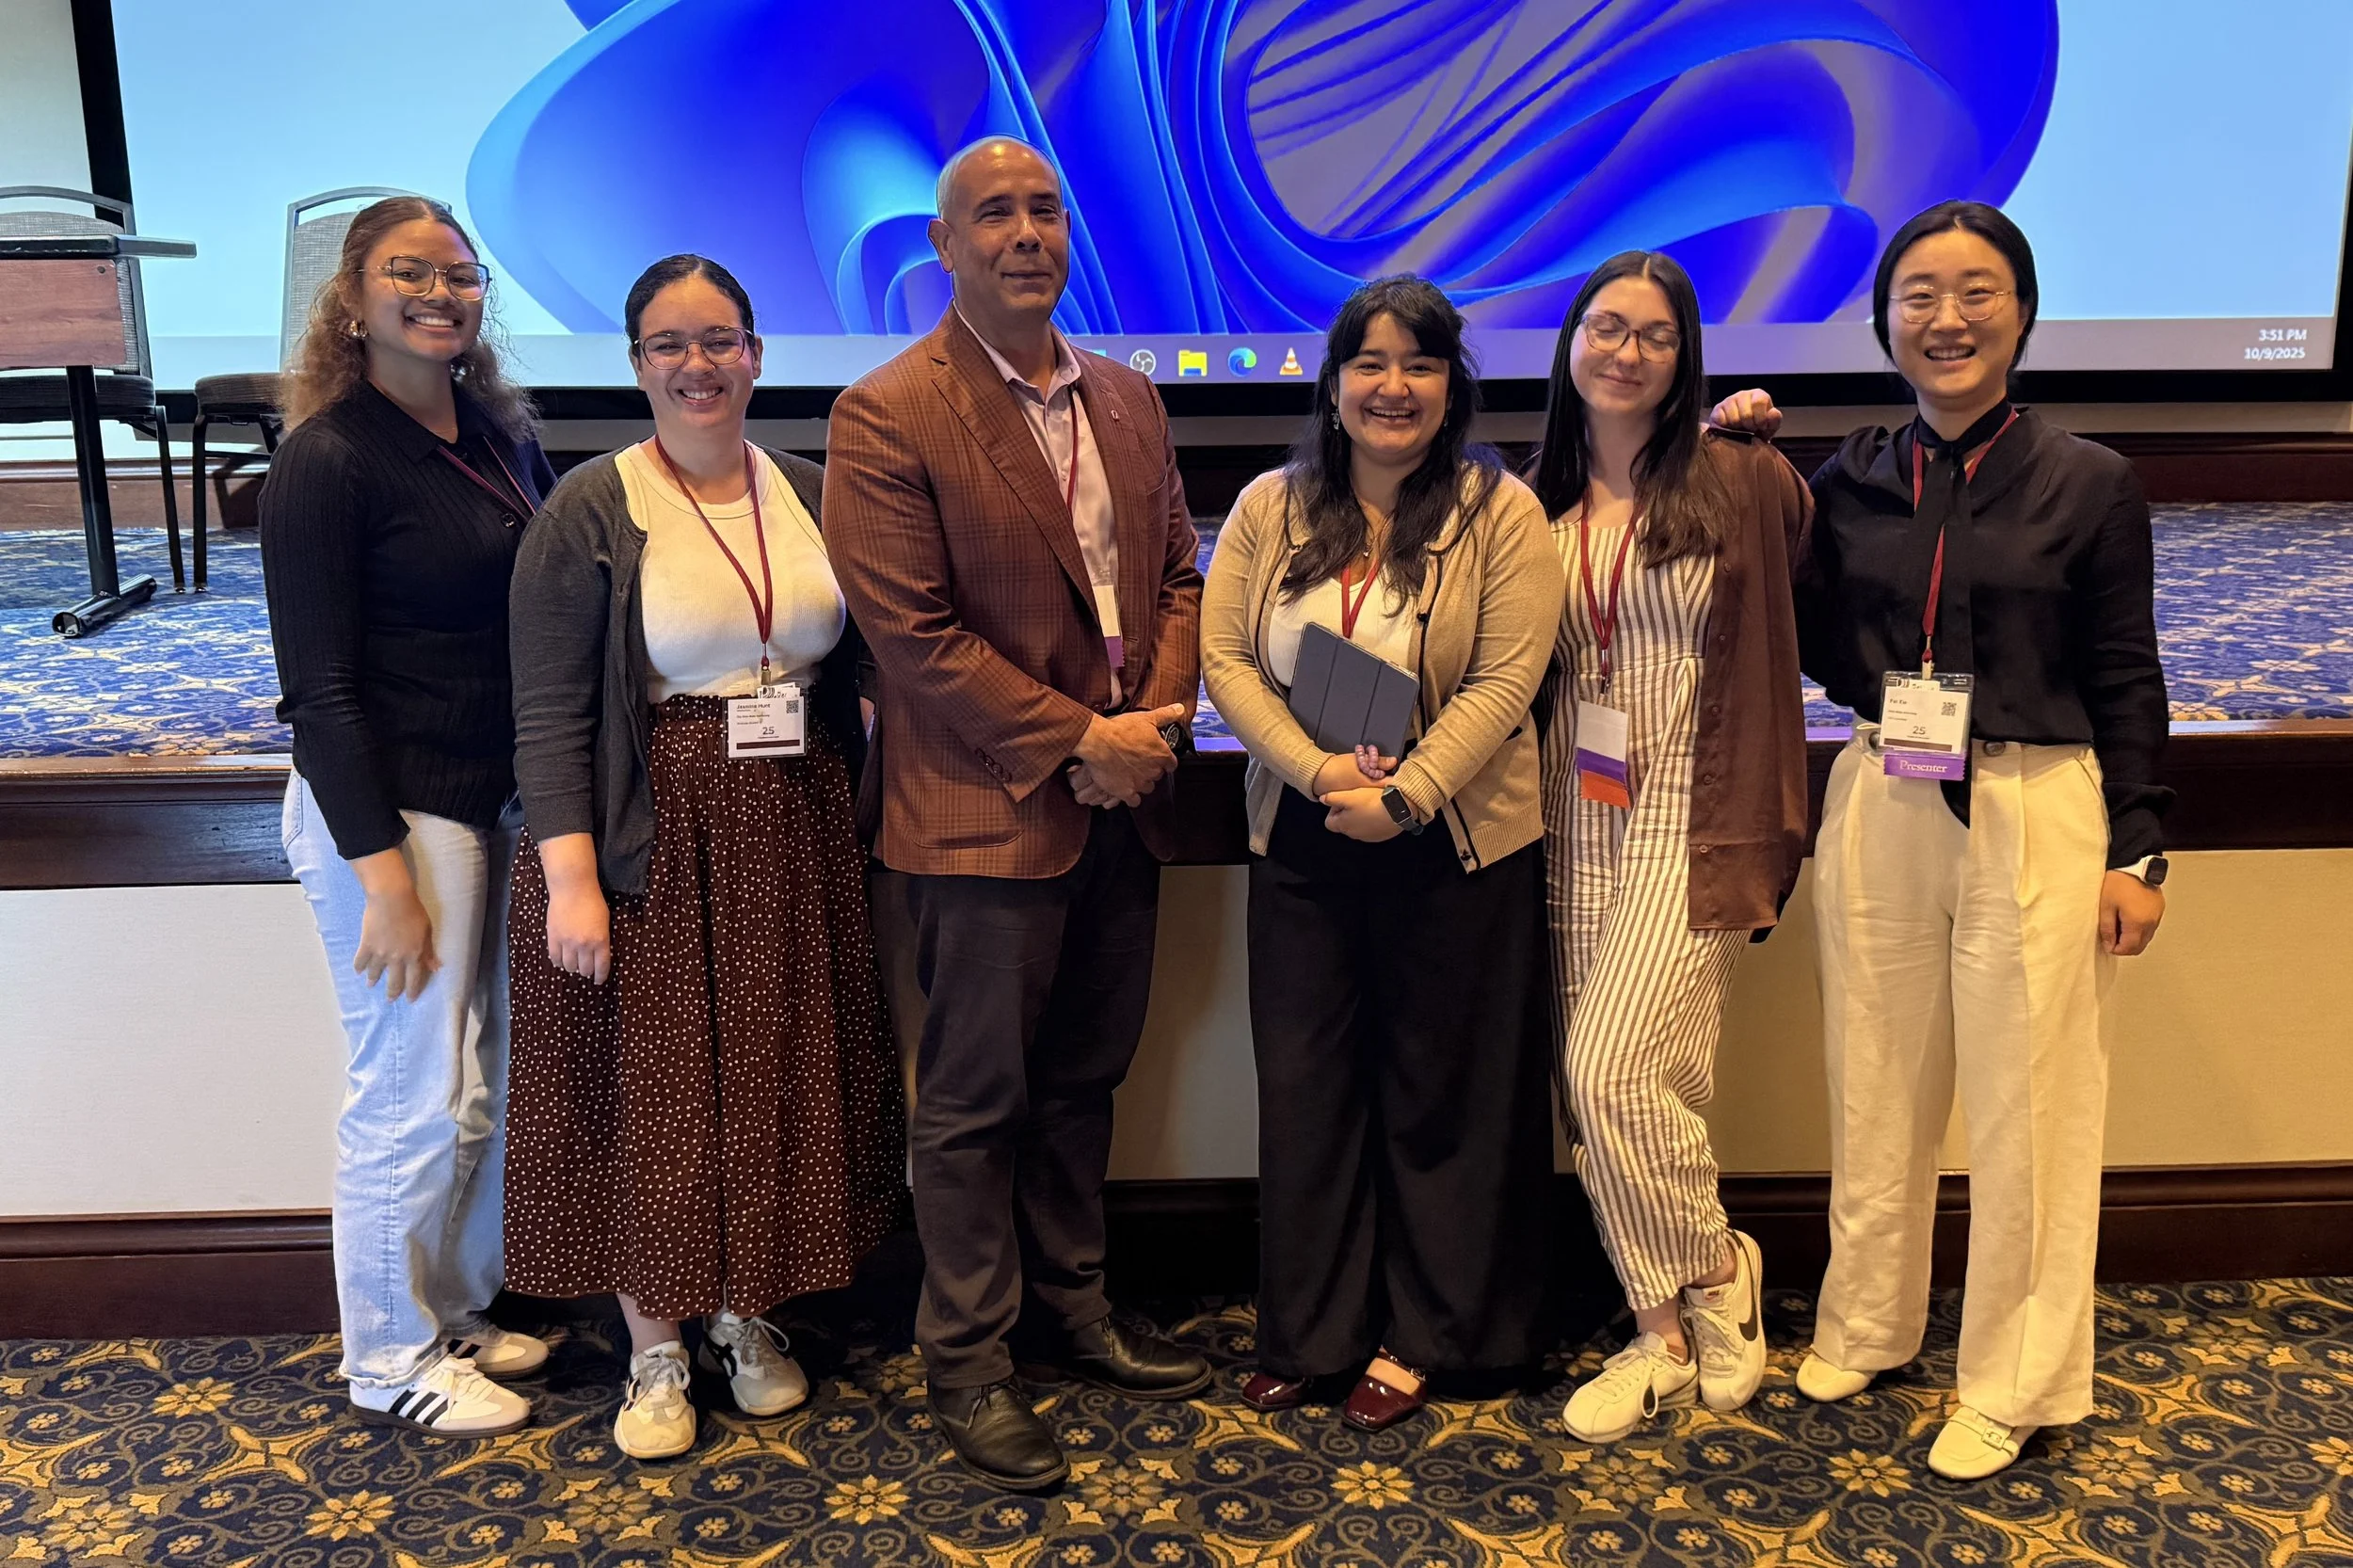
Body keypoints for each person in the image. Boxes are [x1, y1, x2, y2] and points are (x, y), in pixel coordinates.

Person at [1711, 200, 2170, 1480]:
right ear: (1883, 321)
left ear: (2021, 311)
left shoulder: (2090, 479)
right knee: (1874, 1074)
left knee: (2033, 1106)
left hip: (2036, 802)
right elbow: (1789, 620)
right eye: (1919, 294)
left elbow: (2130, 675)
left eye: (1975, 291)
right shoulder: (1850, 474)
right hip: (1886, 788)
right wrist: (1746, 457)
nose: (1946, 317)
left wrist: (2140, 850)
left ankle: (2016, 1378)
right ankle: (1868, 1320)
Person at [823, 136, 1209, 1493]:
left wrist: (1150, 732)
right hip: (981, 815)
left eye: (1047, 207)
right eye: (996, 213)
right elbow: (912, 639)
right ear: (945, 243)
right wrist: (1080, 744)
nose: (1027, 233)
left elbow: (1176, 578)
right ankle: (970, 1361)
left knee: (1086, 1076)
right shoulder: (886, 413)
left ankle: (1074, 1305)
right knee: (976, 1104)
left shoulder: (1128, 398)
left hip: (1124, 804)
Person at [504, 254, 906, 1462]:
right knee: (657, 1090)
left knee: (769, 1079)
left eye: (719, 339)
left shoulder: (803, 485)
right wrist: (571, 873)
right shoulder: (590, 504)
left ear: (757, 354)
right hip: (651, 836)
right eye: (669, 345)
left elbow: (859, 652)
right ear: (634, 365)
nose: (697, 365)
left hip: (791, 831)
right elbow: (548, 708)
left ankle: (745, 1313)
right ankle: (655, 1348)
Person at [1200, 275, 1563, 1431]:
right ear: (1335, 378)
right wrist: (1316, 775)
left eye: (1418, 363)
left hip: (1451, 841)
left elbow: (1510, 676)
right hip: (1303, 834)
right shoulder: (1271, 508)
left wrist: (1406, 793)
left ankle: (1427, 1334)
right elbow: (1227, 660)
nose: (1391, 385)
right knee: (1308, 1089)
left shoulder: (1497, 512)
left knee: (1438, 1092)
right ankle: (1312, 1332)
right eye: (1369, 361)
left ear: (1451, 383)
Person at [261, 196, 554, 1438]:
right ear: (353, 294)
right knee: (406, 1096)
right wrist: (379, 867)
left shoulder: (492, 434)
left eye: (460, 273)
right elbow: (316, 692)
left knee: (473, 1084)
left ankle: (446, 1309)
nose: (439, 292)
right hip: (392, 819)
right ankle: (384, 1357)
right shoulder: (328, 458)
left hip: (483, 804)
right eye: (408, 272)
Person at [1524, 252, 1813, 1443]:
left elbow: (1808, 543)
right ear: (1571, 345)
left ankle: (1717, 1267)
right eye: (1605, 326)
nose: (1625, 351)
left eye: (1652, 333)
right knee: (1615, 1095)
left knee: (1612, 1068)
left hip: (1691, 815)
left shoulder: (1739, 479)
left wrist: (1752, 432)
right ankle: (1665, 1331)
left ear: (1685, 355)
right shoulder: (1528, 500)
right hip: (1565, 816)